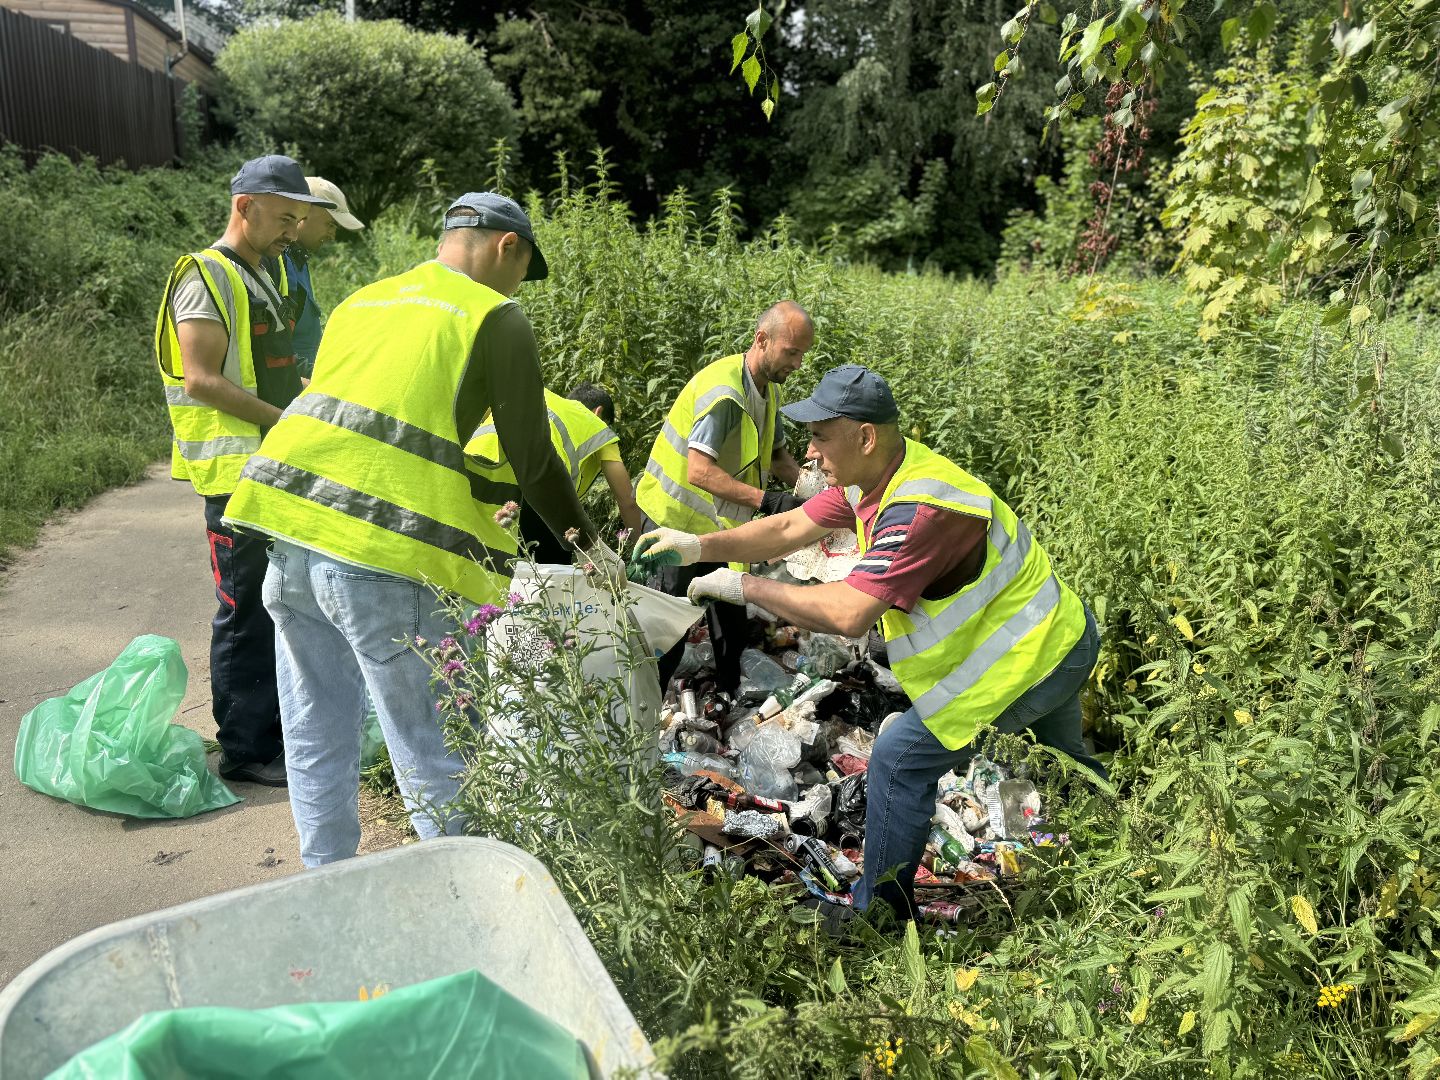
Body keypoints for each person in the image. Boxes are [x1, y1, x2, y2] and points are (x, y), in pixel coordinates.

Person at [223, 192, 624, 866]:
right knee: (434, 752)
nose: (519, 283)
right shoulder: (493, 315)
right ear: (508, 247)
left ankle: (329, 883)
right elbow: (532, 457)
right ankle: (463, 908)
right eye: (524, 267)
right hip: (384, 557)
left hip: (290, 539)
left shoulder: (366, 301)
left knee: (317, 726)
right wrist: (591, 546)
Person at [634, 364, 1106, 925]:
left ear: (864, 436)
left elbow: (850, 612)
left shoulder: (919, 509)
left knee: (899, 759)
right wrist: (699, 546)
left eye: (819, 436)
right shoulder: (880, 474)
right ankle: (1114, 843)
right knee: (1070, 765)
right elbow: (789, 529)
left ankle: (877, 917)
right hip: (1063, 637)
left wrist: (742, 584)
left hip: (1030, 661)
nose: (809, 452)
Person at [155, 154, 336, 788]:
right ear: (244, 206)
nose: (292, 231)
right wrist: (280, 418)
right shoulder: (203, 276)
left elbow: (266, 363)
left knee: (278, 602)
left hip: (268, 467)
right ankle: (246, 750)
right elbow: (201, 379)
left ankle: (271, 733)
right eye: (284, 218)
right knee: (244, 611)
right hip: (234, 476)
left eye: (298, 219)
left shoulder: (258, 272)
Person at [634, 301, 812, 692]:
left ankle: (726, 700)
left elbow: (778, 456)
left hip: (721, 529)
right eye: (792, 352)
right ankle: (644, 716)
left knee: (731, 619)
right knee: (668, 631)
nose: (798, 363)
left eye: (803, 354)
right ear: (762, 340)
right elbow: (698, 471)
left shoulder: (767, 390)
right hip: (675, 525)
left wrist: (813, 491)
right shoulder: (725, 395)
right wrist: (767, 501)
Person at [466, 381, 643, 563]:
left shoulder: (537, 396)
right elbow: (627, 501)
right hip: (532, 487)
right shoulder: (595, 425)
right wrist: (643, 551)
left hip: (471, 469)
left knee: (478, 559)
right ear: (598, 412)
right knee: (550, 576)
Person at [281, 176, 366, 379]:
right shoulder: (278, 264)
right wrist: (325, 377)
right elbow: (271, 349)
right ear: (303, 212)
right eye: (330, 224)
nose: (332, 235)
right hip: (291, 390)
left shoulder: (298, 259)